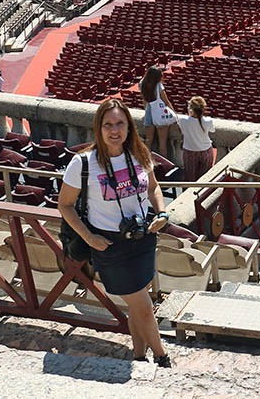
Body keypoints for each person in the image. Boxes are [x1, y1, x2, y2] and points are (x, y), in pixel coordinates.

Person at [58, 98, 172, 367]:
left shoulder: (139, 152)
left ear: (129, 127)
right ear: (98, 128)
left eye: (120, 123)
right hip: (109, 245)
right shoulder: (83, 163)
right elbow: (64, 204)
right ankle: (163, 358)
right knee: (144, 306)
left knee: (137, 305)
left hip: (143, 238)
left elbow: (153, 187)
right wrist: (89, 237)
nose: (114, 130)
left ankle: (139, 355)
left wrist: (163, 213)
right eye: (108, 124)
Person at [176, 96, 216, 183]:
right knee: (205, 178)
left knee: (189, 177)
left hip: (190, 151)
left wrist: (189, 114)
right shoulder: (208, 121)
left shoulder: (183, 120)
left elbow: (182, 129)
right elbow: (212, 130)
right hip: (206, 151)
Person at [139, 66, 176, 156]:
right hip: (159, 114)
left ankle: (146, 162)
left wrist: (146, 112)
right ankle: (164, 166)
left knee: (148, 142)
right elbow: (165, 100)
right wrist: (174, 113)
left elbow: (144, 100)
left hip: (149, 113)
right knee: (162, 143)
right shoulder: (158, 85)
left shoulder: (142, 83)